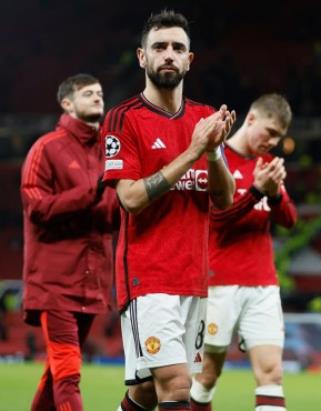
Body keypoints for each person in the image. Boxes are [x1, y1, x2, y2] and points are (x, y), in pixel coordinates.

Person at [101, 10, 236, 411]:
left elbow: (225, 199)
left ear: (189, 60)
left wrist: (211, 153)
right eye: (159, 47)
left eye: (178, 47)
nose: (169, 55)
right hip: (148, 277)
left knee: (145, 392)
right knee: (178, 387)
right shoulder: (123, 119)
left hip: (193, 278)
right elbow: (130, 198)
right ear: (142, 57)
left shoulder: (203, 118)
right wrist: (193, 150)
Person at [190, 94, 296, 411]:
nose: (273, 142)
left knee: (272, 373)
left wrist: (275, 195)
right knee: (207, 375)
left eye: (279, 137)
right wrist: (255, 193)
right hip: (218, 282)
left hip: (263, 283)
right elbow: (215, 221)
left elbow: (289, 220)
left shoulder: (266, 166)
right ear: (250, 119)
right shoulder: (216, 158)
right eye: (269, 132)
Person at [21, 73, 119, 411]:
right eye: (88, 93)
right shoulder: (45, 148)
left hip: (93, 286)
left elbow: (113, 213)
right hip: (54, 283)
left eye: (100, 93)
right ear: (66, 103)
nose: (97, 97)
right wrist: (93, 192)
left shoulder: (110, 149)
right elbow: (36, 207)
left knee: (55, 374)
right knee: (68, 376)